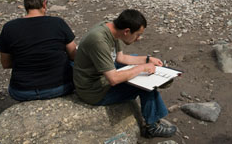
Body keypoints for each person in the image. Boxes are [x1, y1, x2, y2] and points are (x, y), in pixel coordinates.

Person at [73, 9, 176, 138]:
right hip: (94, 90)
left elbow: (120, 58)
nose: (138, 39)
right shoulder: (99, 40)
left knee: (135, 61)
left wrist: (148, 59)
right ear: (127, 31)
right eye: (137, 35)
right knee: (146, 87)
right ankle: (152, 127)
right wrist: (142, 68)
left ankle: (157, 91)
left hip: (99, 76)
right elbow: (113, 79)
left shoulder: (112, 29)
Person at [0, 0, 77, 101]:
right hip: (59, 87)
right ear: (44, 4)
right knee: (73, 63)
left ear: (25, 5)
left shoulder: (9, 27)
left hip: (21, 91)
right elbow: (73, 55)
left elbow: (5, 63)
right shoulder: (57, 23)